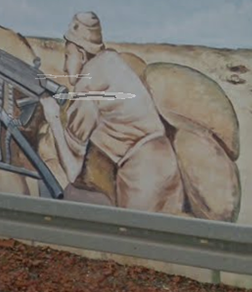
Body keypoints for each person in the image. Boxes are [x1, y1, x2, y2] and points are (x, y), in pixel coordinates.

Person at [38, 12, 185, 214]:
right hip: (167, 164)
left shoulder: (86, 86)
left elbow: (72, 171)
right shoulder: (111, 61)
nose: (64, 67)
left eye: (67, 56)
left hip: (141, 175)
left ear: (82, 55)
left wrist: (53, 118)